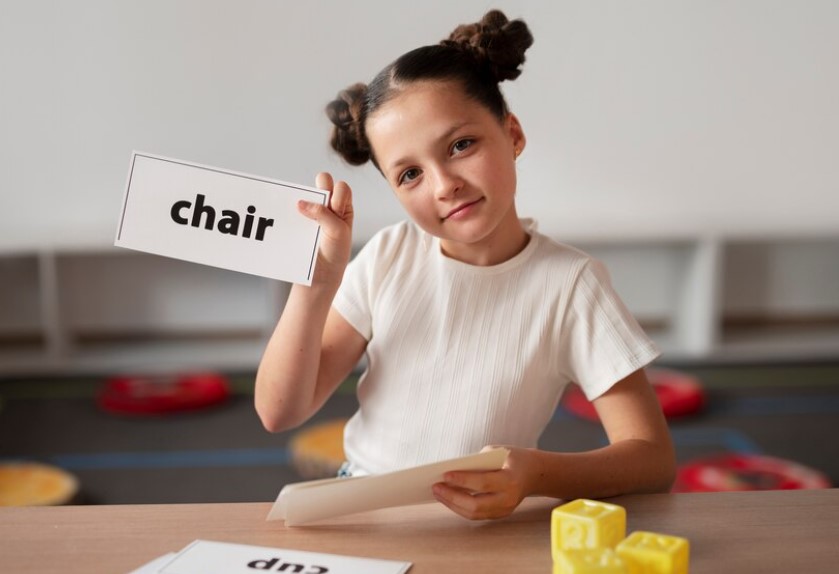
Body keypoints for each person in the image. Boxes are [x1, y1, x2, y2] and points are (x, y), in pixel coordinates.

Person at [255, 9, 676, 520]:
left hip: (485, 527)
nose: (442, 184)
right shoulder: (388, 256)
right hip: (361, 512)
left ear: (512, 134)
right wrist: (316, 283)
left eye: (460, 145)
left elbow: (651, 459)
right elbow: (279, 412)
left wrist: (538, 475)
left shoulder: (572, 285)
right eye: (409, 174)